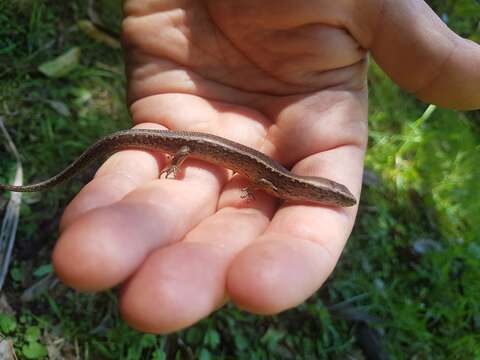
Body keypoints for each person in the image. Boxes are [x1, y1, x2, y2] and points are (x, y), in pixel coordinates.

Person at [51, 0, 480, 333]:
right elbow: (256, 176)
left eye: (332, 196)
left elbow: (257, 178)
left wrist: (252, 188)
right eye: (331, 194)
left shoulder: (280, 182)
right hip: (182, 143)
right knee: (171, 155)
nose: (334, 199)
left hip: (197, 143)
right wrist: (181, 164)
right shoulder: (279, 181)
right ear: (314, 191)